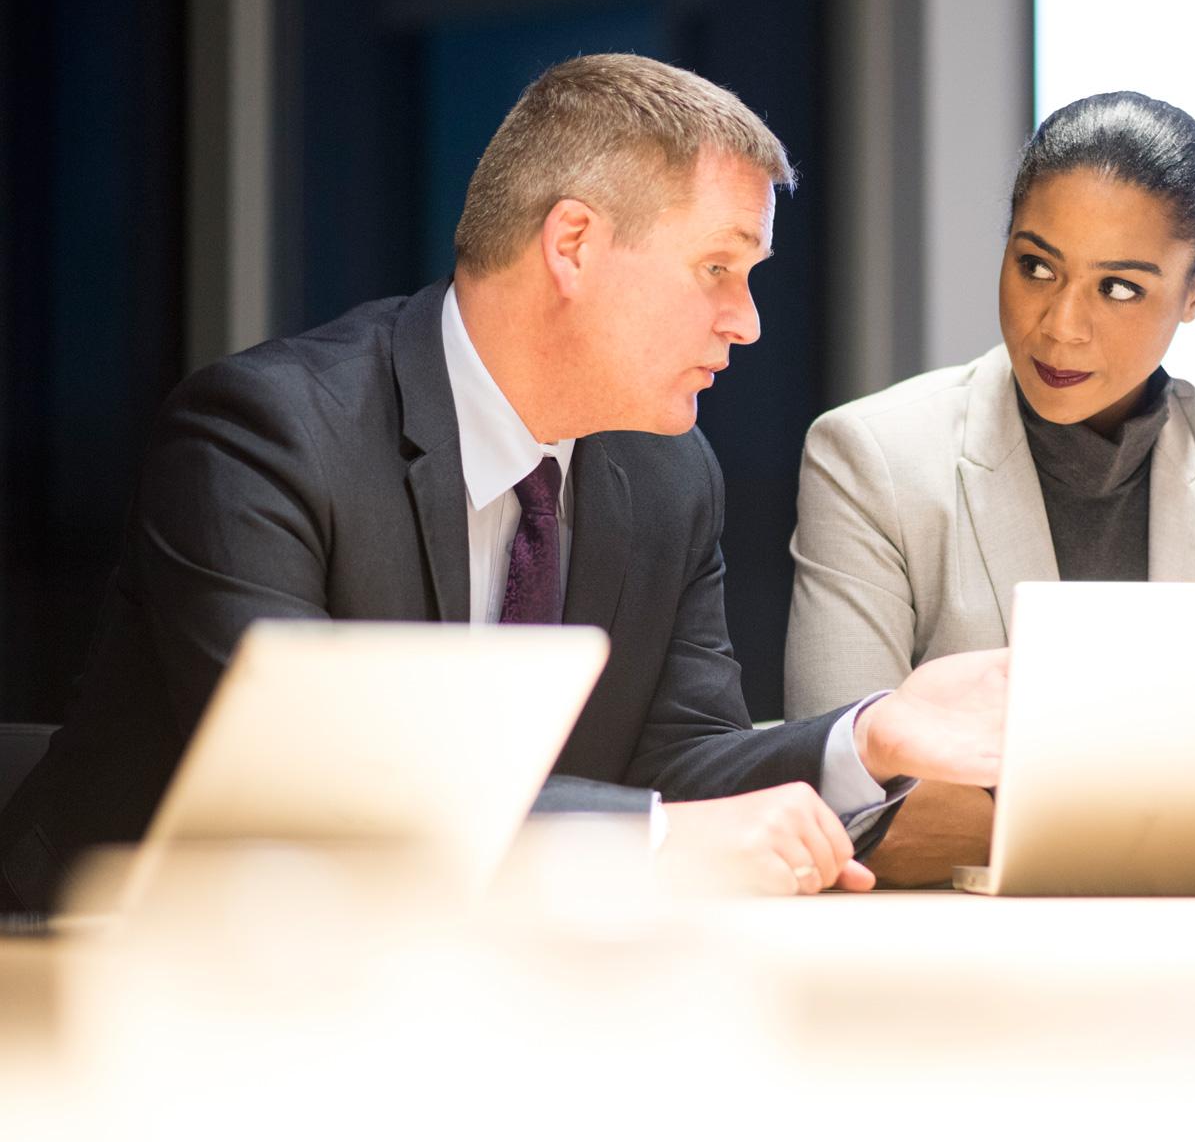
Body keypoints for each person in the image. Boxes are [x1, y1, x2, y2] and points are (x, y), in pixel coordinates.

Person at [0, 53, 1005, 914]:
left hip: (452, 978)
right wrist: (650, 839)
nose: (745, 322)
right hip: (111, 978)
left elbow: (679, 759)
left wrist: (870, 738)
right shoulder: (263, 436)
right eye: (715, 270)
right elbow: (306, 786)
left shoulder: (664, 474)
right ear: (571, 244)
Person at [785, 91, 1195, 883]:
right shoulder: (872, 458)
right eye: (1036, 266)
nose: (1060, 324)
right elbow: (849, 803)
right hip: (948, 970)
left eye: (1119, 288)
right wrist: (1178, 823)